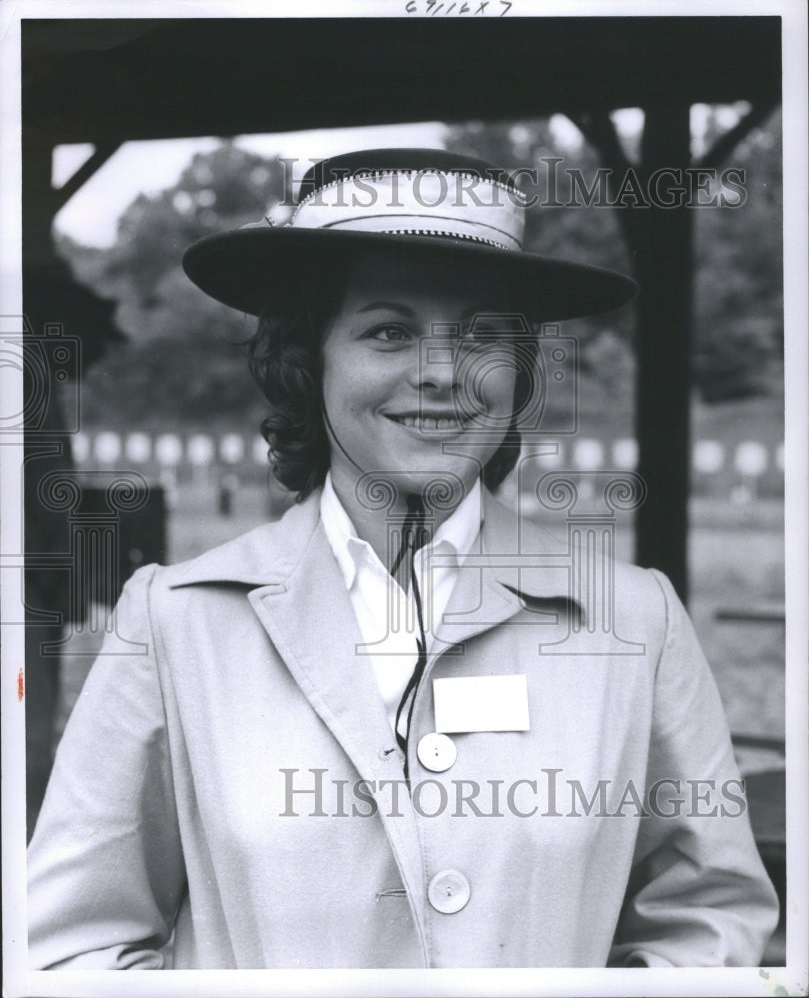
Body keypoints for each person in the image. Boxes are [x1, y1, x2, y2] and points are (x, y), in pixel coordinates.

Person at [27, 148, 778, 969]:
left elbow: (709, 922)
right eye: (388, 332)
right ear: (308, 360)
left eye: (483, 335)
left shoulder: (634, 620)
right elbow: (71, 946)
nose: (440, 374)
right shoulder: (177, 622)